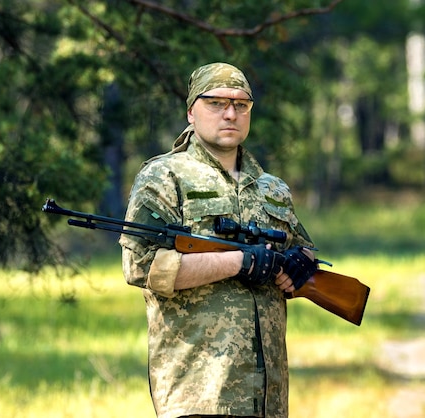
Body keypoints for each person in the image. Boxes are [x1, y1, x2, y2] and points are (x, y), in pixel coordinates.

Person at [119, 62, 317, 418]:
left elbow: (300, 248)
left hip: (268, 398)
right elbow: (140, 266)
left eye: (241, 105)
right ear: (191, 111)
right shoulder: (164, 177)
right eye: (216, 103)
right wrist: (240, 262)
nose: (230, 113)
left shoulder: (272, 187)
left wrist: (301, 264)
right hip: (199, 391)